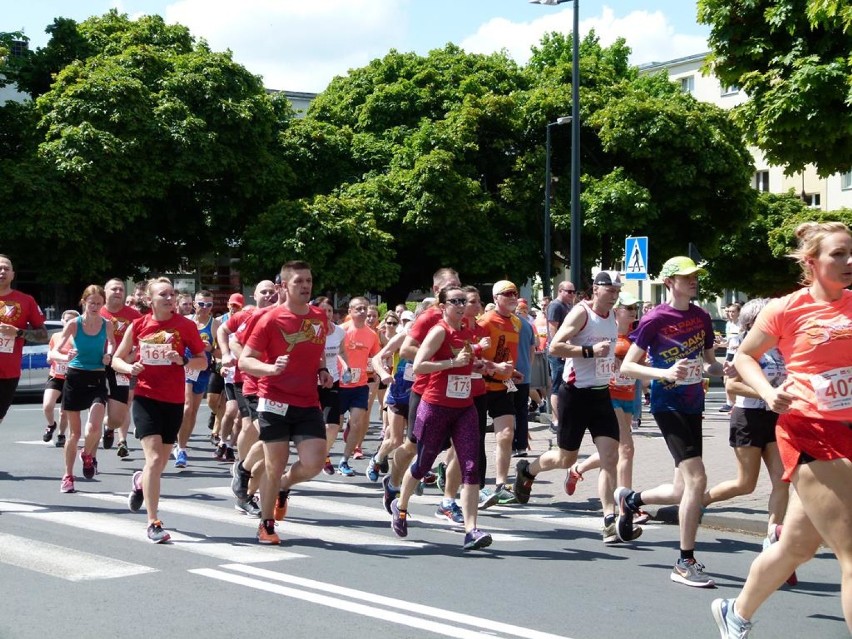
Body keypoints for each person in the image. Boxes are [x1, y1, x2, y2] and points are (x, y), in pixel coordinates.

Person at [712, 222, 852, 637]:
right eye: (839, 254)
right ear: (811, 263)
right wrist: (767, 392)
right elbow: (744, 358)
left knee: (798, 545)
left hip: (848, 427)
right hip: (809, 427)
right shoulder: (786, 308)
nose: (849, 262)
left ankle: (734, 614)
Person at [617, 256, 724, 587]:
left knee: (681, 488)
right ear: (669, 283)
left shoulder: (702, 316)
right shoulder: (655, 319)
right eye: (685, 276)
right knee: (697, 480)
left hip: (694, 403)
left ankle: (632, 500)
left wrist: (725, 367)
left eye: (694, 275)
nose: (692, 280)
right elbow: (628, 367)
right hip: (667, 404)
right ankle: (684, 561)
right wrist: (663, 372)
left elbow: (709, 363)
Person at [513, 271, 642, 545]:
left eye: (618, 289)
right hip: (575, 395)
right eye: (610, 289)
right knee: (565, 459)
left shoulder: (613, 317)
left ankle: (608, 520)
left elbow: (610, 351)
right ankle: (528, 471)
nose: (615, 293)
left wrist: (614, 364)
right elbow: (555, 347)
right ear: (596, 289)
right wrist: (589, 352)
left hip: (601, 395)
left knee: (610, 457)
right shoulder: (581, 313)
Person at [389, 285, 492, 551]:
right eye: (454, 301)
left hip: (464, 407)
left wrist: (483, 366)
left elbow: (467, 364)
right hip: (435, 406)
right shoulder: (439, 331)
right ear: (443, 306)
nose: (461, 305)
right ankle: (400, 507)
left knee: (471, 465)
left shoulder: (468, 332)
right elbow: (420, 364)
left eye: (464, 301)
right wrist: (451, 364)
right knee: (423, 464)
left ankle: (471, 530)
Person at [239, 261, 332, 545]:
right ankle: (266, 524)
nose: (305, 286)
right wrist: (270, 369)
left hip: (307, 401)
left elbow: (317, 352)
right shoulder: (269, 318)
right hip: (274, 400)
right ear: (284, 287)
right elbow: (245, 359)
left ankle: (283, 487)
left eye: (309, 280)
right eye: (298, 282)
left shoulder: (318, 317)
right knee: (274, 464)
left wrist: (322, 370)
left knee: (314, 463)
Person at [702, 297, 794, 584]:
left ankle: (772, 542)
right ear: (755, 320)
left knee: (782, 481)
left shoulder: (780, 345)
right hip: (748, 416)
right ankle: (697, 503)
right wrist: (768, 394)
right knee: (746, 484)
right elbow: (732, 385)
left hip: (776, 418)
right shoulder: (743, 345)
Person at [113, 277, 207, 543]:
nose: (169, 298)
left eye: (172, 294)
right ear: (150, 300)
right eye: (163, 294)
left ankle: (140, 482)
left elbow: (202, 361)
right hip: (145, 397)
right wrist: (130, 368)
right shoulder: (139, 325)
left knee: (161, 462)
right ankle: (153, 522)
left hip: (174, 399)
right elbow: (117, 359)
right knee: (154, 459)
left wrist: (184, 359)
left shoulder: (185, 326)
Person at [560, 291, 651, 525]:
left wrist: (650, 381)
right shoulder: (598, 323)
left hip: (628, 394)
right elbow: (557, 346)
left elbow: (638, 369)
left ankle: (578, 469)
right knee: (626, 449)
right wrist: (591, 352)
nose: (632, 312)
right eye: (627, 308)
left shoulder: (634, 336)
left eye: (634, 308)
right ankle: (626, 502)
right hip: (606, 393)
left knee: (613, 453)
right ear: (616, 311)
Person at [55, 286, 116, 493]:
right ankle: (68, 475)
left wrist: (108, 354)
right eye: (92, 303)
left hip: (97, 376)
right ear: (84, 302)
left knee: (94, 429)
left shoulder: (106, 324)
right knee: (75, 433)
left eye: (99, 304)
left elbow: (112, 343)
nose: (96, 307)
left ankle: (87, 454)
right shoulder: (74, 324)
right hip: (75, 377)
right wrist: (65, 356)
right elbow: (55, 350)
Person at [477, 280, 524, 503]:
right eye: (507, 294)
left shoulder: (517, 322)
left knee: (506, 435)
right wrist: (494, 367)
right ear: (496, 298)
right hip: (481, 384)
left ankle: (500, 484)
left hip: (504, 385)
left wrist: (512, 372)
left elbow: (506, 353)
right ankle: (452, 471)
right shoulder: (485, 321)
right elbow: (474, 355)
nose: (513, 297)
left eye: (515, 293)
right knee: (472, 438)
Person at [174, 289, 220, 468]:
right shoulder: (186, 322)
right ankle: (181, 449)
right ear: (194, 304)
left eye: (209, 305)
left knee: (192, 411)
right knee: (187, 407)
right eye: (201, 304)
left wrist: (210, 349)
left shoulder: (214, 325)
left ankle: (181, 443)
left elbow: (221, 352)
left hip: (202, 370)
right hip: (185, 367)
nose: (205, 308)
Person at [0, 254, 47, 426]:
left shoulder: (26, 300)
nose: (2, 271)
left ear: (13, 274)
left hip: (9, 372)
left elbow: (43, 335)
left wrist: (18, 332)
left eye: (6, 268)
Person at [336, 296, 380, 476]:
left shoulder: (372, 335)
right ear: (350, 312)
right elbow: (332, 352)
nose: (362, 312)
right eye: (358, 309)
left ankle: (344, 461)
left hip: (360, 385)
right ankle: (325, 456)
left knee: (357, 423)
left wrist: (378, 374)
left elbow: (375, 357)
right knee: (334, 426)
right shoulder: (341, 331)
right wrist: (344, 366)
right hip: (339, 384)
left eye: (364, 309)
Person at [100, 278, 142, 458]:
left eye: (121, 290)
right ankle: (91, 454)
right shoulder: (98, 311)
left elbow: (144, 342)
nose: (118, 292)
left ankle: (111, 429)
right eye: (114, 289)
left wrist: (128, 359)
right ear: (105, 292)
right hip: (98, 365)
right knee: (98, 404)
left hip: (123, 365)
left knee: (122, 407)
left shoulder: (134, 315)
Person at [42, 309, 79, 446]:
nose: (69, 322)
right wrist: (49, 358)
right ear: (62, 321)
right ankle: (51, 425)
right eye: (67, 319)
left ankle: (61, 435)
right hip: (55, 375)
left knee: (64, 412)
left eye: (72, 320)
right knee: (47, 405)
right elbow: (50, 352)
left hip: (71, 377)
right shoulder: (56, 336)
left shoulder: (79, 337)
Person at [546, 281, 577, 432]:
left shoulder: (568, 306)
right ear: (560, 291)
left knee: (566, 383)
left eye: (573, 292)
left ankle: (564, 418)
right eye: (569, 291)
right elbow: (553, 329)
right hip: (558, 352)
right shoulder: (556, 305)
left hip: (567, 350)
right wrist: (560, 349)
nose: (572, 294)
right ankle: (556, 420)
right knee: (557, 385)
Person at [719, 302, 742, 412]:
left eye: (733, 312)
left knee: (733, 379)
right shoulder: (729, 324)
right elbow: (728, 342)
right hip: (730, 353)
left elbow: (745, 340)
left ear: (738, 313)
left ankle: (734, 403)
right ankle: (730, 403)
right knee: (726, 379)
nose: (730, 314)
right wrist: (719, 343)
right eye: (729, 311)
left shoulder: (742, 324)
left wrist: (739, 346)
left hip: (739, 354)